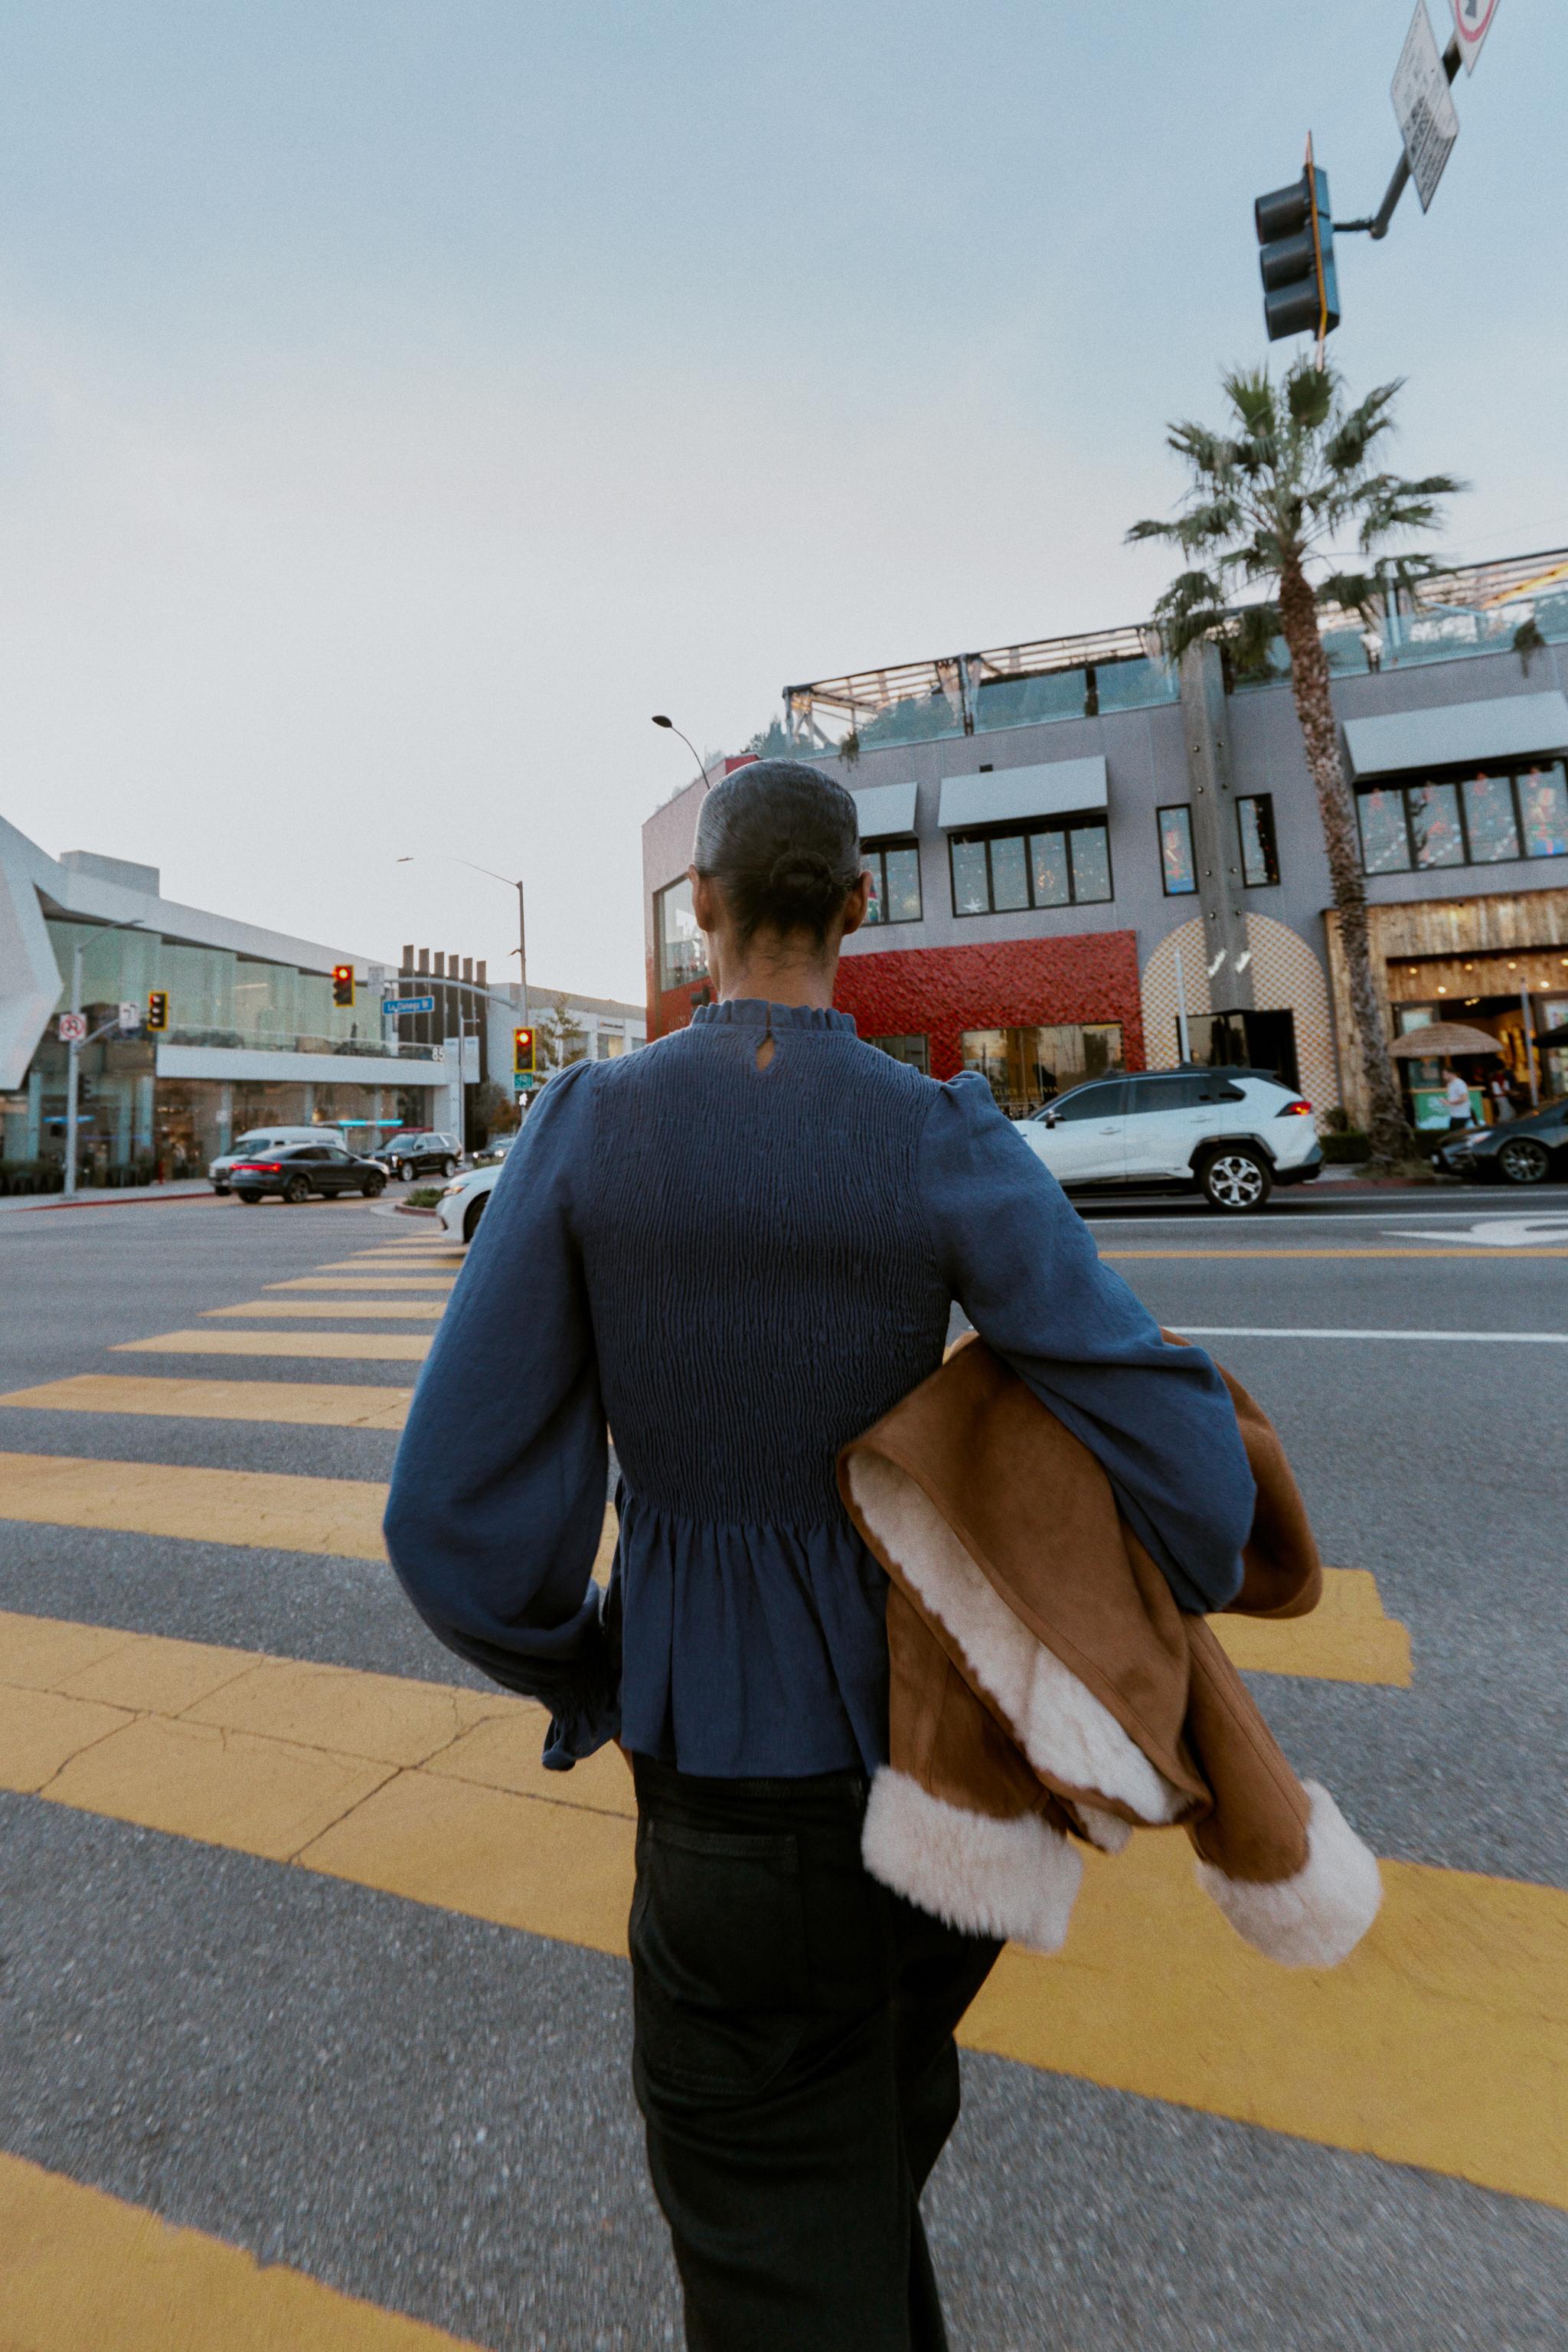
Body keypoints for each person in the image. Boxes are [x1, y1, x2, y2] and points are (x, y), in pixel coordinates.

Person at [384, 761, 1256, 2350]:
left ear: (701, 911)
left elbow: (445, 1521)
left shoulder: (589, 1127)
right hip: (938, 1795)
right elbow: (1193, 1477)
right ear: (860, 903)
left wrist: (590, 1664)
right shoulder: (937, 1133)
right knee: (851, 2184)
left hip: (720, 1808)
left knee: (777, 2236)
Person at [1442, 1063, 1473, 1135]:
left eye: (1445, 1074)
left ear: (1451, 1074)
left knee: (1458, 1136)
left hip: (1462, 1115)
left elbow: (1464, 1098)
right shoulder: (1450, 1084)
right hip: (1455, 1115)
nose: (1443, 1076)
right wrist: (1447, 1101)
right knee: (1453, 1135)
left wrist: (1450, 1103)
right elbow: (1454, 1098)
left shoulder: (1459, 1083)